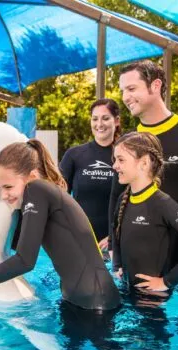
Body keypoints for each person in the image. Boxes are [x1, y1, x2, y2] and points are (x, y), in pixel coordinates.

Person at [0, 139, 121, 311]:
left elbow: (25, 261)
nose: (3, 195)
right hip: (84, 300)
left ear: (32, 176)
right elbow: (19, 245)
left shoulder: (36, 189)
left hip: (96, 303)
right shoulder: (43, 196)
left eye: (8, 186)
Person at [108, 61, 178, 265]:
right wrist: (114, 249)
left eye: (131, 88)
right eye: (122, 91)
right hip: (138, 259)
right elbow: (116, 197)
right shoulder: (126, 143)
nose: (125, 97)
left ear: (155, 86)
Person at [111, 132, 178, 295]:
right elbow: (115, 232)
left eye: (121, 159)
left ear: (144, 163)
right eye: (115, 160)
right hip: (128, 291)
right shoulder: (123, 199)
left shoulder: (162, 203)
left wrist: (167, 281)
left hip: (152, 301)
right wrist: (117, 266)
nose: (115, 166)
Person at [59, 99, 121, 252]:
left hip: (115, 244)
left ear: (117, 121)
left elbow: (135, 202)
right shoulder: (75, 155)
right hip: (79, 241)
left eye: (105, 118)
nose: (99, 124)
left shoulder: (126, 156)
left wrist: (114, 237)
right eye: (95, 119)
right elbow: (58, 198)